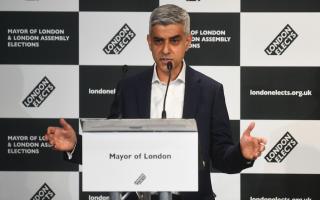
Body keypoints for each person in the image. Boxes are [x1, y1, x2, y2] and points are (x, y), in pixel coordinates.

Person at [45, 4, 267, 200]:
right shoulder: (128, 88)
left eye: (175, 40)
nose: (166, 50)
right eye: (159, 41)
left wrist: (241, 153)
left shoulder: (210, 91)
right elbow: (111, 148)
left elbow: (221, 157)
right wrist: (75, 146)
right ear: (149, 42)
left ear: (188, 42)